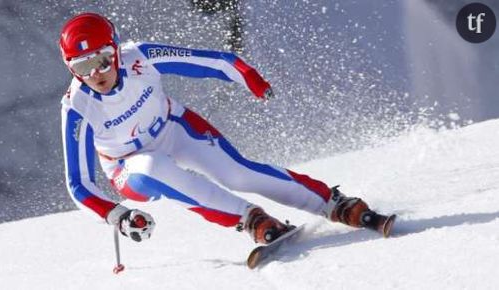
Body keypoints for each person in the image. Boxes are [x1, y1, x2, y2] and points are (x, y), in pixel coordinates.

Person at [59, 12, 392, 244]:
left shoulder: (140, 57)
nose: (95, 74)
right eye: (82, 67)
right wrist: (117, 215)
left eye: (101, 60)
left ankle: (334, 203)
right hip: (126, 165)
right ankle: (250, 219)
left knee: (237, 174)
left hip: (172, 127)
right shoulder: (78, 106)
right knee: (152, 167)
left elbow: (213, 61)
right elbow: (79, 184)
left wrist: (248, 76)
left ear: (115, 50)